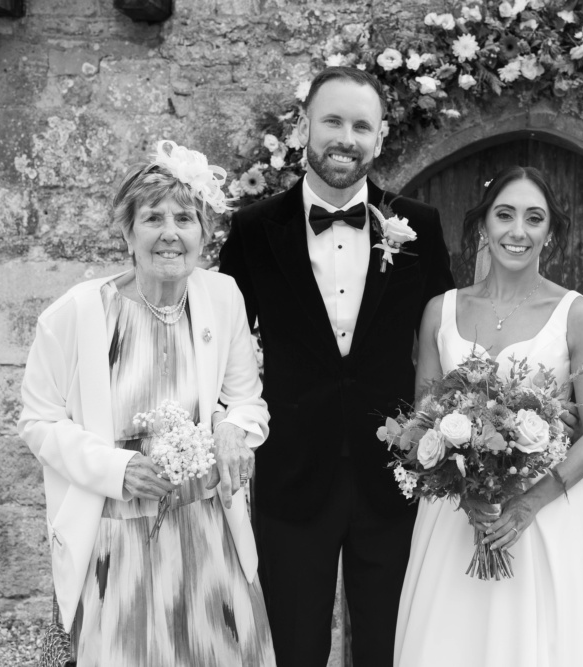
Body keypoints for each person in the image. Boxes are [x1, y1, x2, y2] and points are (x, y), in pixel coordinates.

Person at [218, 66, 454, 667]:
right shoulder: (252, 230)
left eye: (361, 126)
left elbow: (446, 337)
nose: (346, 138)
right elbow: (220, 345)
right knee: (294, 647)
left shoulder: (420, 227)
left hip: (394, 474)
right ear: (304, 128)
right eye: (332, 121)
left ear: (380, 137)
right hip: (292, 472)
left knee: (388, 647)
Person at [19, 141, 276, 666]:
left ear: (204, 232)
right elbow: (38, 421)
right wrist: (118, 469)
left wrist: (233, 429)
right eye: (153, 218)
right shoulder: (75, 314)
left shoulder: (222, 297)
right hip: (116, 539)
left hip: (208, 533)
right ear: (127, 232)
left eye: (185, 218)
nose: (169, 233)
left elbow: (248, 401)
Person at [394, 166, 583, 667]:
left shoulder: (576, 314)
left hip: (547, 513)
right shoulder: (439, 311)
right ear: (483, 225)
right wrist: (464, 489)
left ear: (550, 233)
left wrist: (528, 504)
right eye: (505, 215)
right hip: (455, 518)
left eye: (534, 218)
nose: (518, 231)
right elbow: (423, 419)